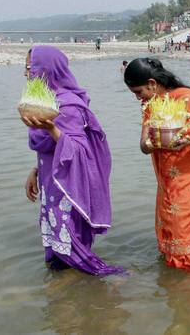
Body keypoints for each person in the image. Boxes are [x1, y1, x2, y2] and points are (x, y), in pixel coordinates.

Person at [123, 58, 190, 270]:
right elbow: (143, 145)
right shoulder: (151, 105)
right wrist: (154, 142)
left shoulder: (189, 100)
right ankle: (177, 291)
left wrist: (187, 140)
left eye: (139, 92)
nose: (138, 98)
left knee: (188, 239)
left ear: (152, 84)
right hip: (167, 185)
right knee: (171, 235)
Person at [20, 45, 122, 275]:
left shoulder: (68, 105)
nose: (26, 74)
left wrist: (51, 128)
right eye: (25, 68)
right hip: (51, 180)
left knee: (67, 239)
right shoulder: (46, 100)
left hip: (67, 186)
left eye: (30, 68)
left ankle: (105, 278)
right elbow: (52, 147)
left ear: (46, 69)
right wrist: (36, 170)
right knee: (57, 243)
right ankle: (67, 286)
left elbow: (77, 149)